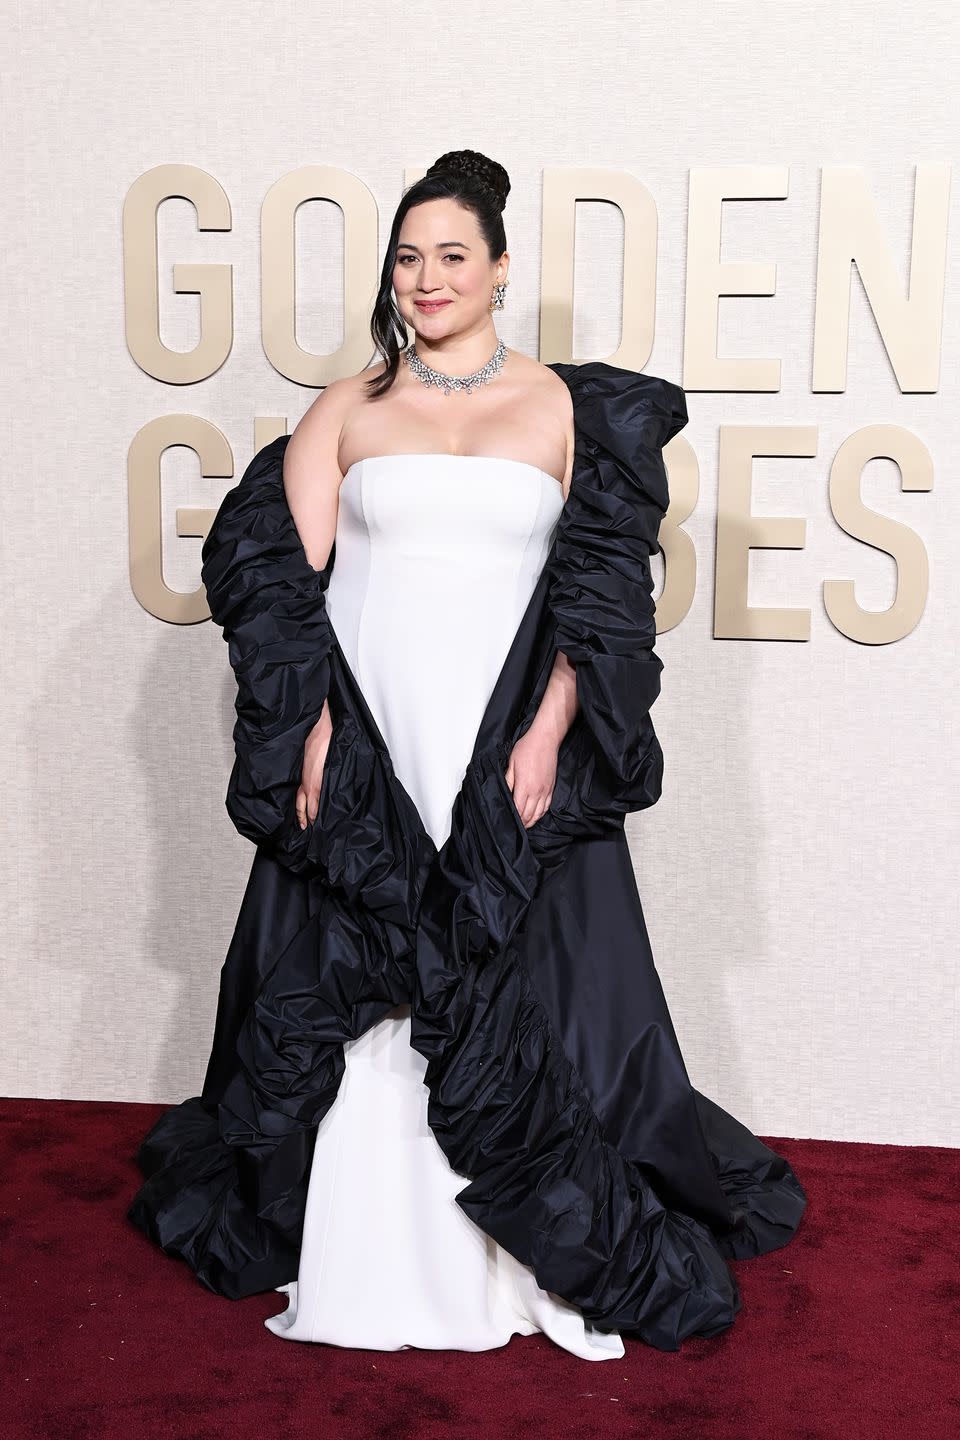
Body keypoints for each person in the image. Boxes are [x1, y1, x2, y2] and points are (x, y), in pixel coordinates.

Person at [128, 149, 807, 1357]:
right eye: (407, 256)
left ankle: (524, 1241)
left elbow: (594, 599)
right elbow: (290, 598)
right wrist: (319, 731)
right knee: (365, 954)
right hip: (374, 732)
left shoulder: (562, 409)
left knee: (521, 967)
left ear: (499, 269)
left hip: (498, 740)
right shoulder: (346, 409)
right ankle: (360, 1236)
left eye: (452, 255)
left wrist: (551, 729)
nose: (427, 278)